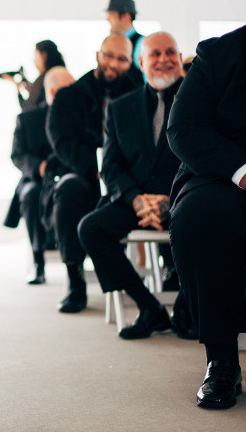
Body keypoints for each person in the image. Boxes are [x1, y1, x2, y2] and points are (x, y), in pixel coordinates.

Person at [77, 32, 193, 339]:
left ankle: (186, 307)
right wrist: (137, 200)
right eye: (155, 53)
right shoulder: (119, 108)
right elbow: (111, 167)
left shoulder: (198, 100)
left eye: (171, 52)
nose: (164, 59)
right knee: (90, 228)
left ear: (179, 58)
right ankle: (150, 308)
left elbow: (203, 158)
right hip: (136, 202)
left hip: (185, 200)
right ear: (141, 63)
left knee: (209, 224)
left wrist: (170, 200)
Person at [168, 22, 246, 409]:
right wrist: (244, 171)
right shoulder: (218, 54)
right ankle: (222, 361)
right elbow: (183, 128)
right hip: (224, 174)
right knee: (200, 219)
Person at [45, 34, 139, 313]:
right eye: (109, 55)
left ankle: (170, 273)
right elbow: (61, 142)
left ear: (130, 62)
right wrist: (97, 166)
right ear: (98, 55)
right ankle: (75, 279)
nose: (113, 63)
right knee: (69, 190)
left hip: (127, 178)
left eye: (122, 59)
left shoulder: (138, 94)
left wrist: (117, 170)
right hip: (85, 174)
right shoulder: (70, 95)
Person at [5, 66, 74, 284]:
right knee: (31, 194)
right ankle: (38, 261)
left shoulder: (77, 118)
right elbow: (17, 155)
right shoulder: (27, 119)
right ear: (52, 92)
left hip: (66, 175)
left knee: (72, 190)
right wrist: (40, 167)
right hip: (34, 178)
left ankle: (75, 263)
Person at [2, 40, 66, 111]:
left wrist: (17, 86)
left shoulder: (44, 79)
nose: (34, 61)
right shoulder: (62, 73)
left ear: (44, 55)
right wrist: (32, 89)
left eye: (36, 56)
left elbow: (27, 108)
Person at [106, 0, 145, 84]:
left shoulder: (142, 44)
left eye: (111, 15)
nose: (107, 19)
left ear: (126, 16)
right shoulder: (113, 43)